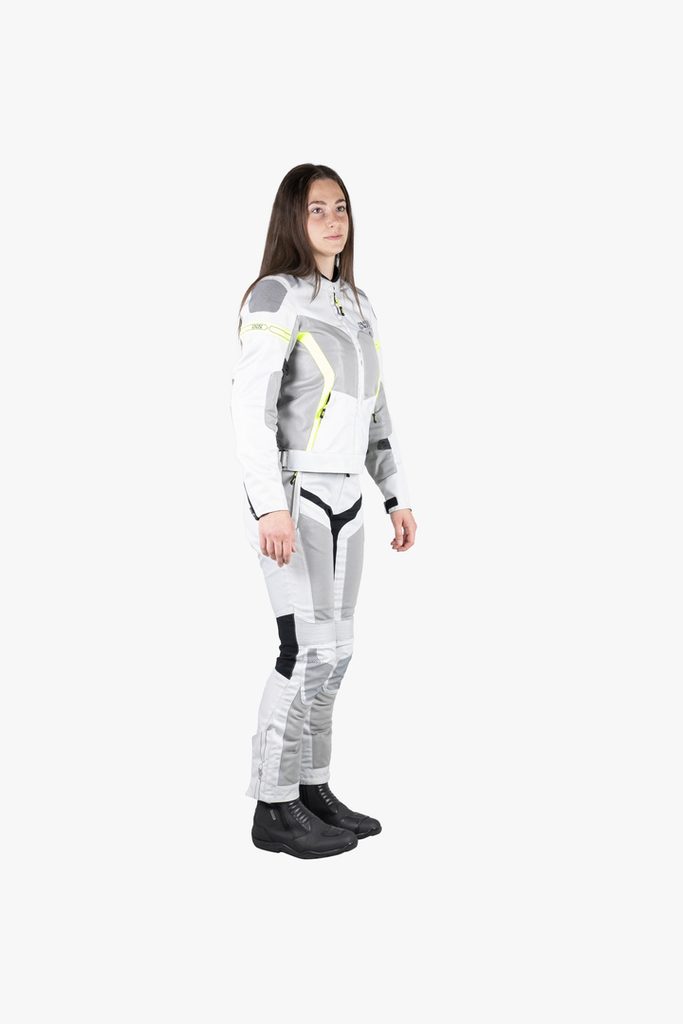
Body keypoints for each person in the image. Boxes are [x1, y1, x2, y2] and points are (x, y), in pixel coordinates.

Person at [229, 163, 417, 859]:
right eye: (317, 209)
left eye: (340, 207)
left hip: (349, 499)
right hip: (296, 495)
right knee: (302, 652)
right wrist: (268, 508)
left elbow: (376, 412)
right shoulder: (277, 296)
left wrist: (395, 494)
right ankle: (272, 805)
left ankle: (311, 788)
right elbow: (249, 409)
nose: (333, 220)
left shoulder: (358, 306)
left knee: (335, 655)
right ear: (293, 218)